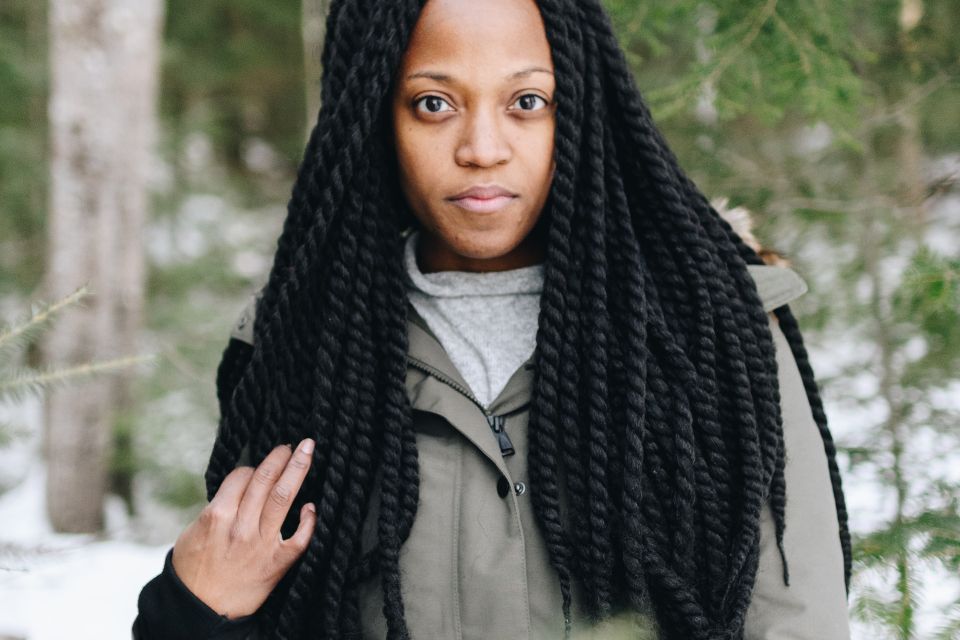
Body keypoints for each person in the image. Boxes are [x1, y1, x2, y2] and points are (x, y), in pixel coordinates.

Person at [133, 0, 853, 638]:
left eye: (528, 102)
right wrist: (193, 612)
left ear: (581, 110)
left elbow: (794, 620)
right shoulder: (302, 349)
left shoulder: (712, 333)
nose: (482, 149)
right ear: (373, 111)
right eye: (434, 104)